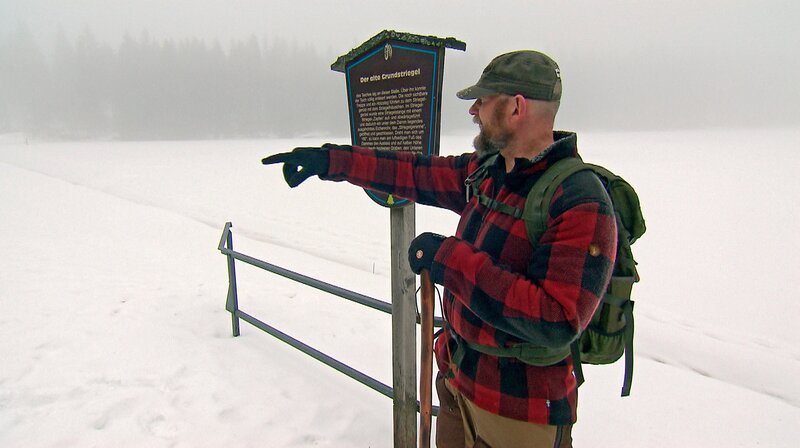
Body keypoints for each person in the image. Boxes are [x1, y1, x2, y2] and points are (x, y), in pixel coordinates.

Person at [263, 50, 617, 448]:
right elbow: (414, 173)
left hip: (519, 412)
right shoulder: (488, 171)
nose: (474, 111)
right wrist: (332, 160)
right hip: (458, 382)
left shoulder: (579, 200)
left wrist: (448, 259)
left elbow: (555, 320)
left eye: (483, 101)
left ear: (516, 107)